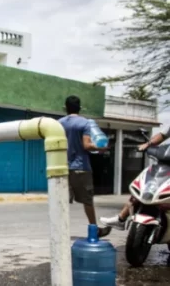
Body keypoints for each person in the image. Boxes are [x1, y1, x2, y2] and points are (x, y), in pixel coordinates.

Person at [58, 95, 111, 237]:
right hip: (81, 167)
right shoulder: (85, 123)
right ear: (80, 108)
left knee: (62, 201)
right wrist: (101, 148)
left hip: (62, 167)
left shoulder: (59, 123)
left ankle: (60, 231)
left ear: (65, 108)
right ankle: (94, 231)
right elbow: (87, 145)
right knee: (87, 201)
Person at [100, 126, 170, 230]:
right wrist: (148, 144)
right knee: (145, 188)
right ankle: (121, 219)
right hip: (165, 164)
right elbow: (162, 135)